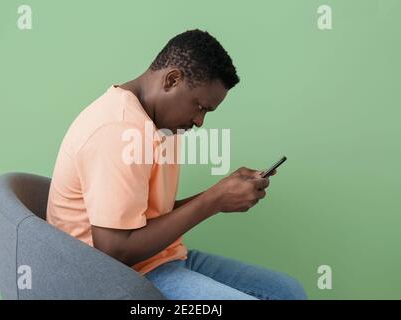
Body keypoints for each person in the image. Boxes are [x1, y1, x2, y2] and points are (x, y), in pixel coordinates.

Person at [46, 29, 307, 300]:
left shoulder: (163, 124)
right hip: (114, 280)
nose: (199, 121)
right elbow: (112, 250)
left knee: (288, 292)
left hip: (160, 259)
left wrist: (221, 191)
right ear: (172, 80)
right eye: (200, 107)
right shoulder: (116, 130)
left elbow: (149, 218)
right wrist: (213, 201)